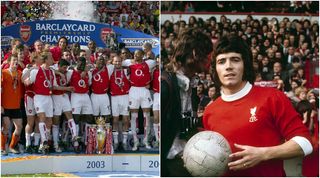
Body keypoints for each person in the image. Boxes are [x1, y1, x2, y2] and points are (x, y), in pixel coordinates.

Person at [203, 35, 313, 176]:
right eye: (221, 61)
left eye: (235, 60)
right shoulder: (210, 111)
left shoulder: (272, 97)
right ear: (215, 69)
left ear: (245, 65)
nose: (228, 66)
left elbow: (305, 143)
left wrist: (263, 154)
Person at [161, 28, 213, 176]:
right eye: (209, 55)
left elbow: (182, 124)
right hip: (168, 166)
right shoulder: (165, 86)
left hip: (186, 163)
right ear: (196, 54)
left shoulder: (192, 84)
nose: (210, 60)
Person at [122, 49, 156, 151]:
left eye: (139, 54)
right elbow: (120, 62)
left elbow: (155, 62)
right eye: (135, 54)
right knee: (134, 116)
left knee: (147, 116)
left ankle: (146, 141)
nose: (136, 56)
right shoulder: (129, 64)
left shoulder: (148, 63)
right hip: (134, 90)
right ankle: (135, 142)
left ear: (143, 55)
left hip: (144, 91)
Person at [1, 54, 24, 155]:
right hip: (5, 105)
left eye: (17, 60)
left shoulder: (19, 73)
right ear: (9, 62)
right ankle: (2, 148)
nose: (16, 62)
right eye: (14, 60)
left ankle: (11, 147)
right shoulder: (3, 73)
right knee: (6, 126)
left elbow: (26, 80)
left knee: (19, 126)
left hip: (16, 105)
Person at [109, 55, 131, 150]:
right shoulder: (110, 71)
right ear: (112, 62)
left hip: (125, 96)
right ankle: (116, 142)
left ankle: (125, 142)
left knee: (126, 119)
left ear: (121, 62)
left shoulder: (126, 71)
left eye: (119, 61)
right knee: (115, 120)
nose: (117, 63)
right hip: (114, 97)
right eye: (115, 61)